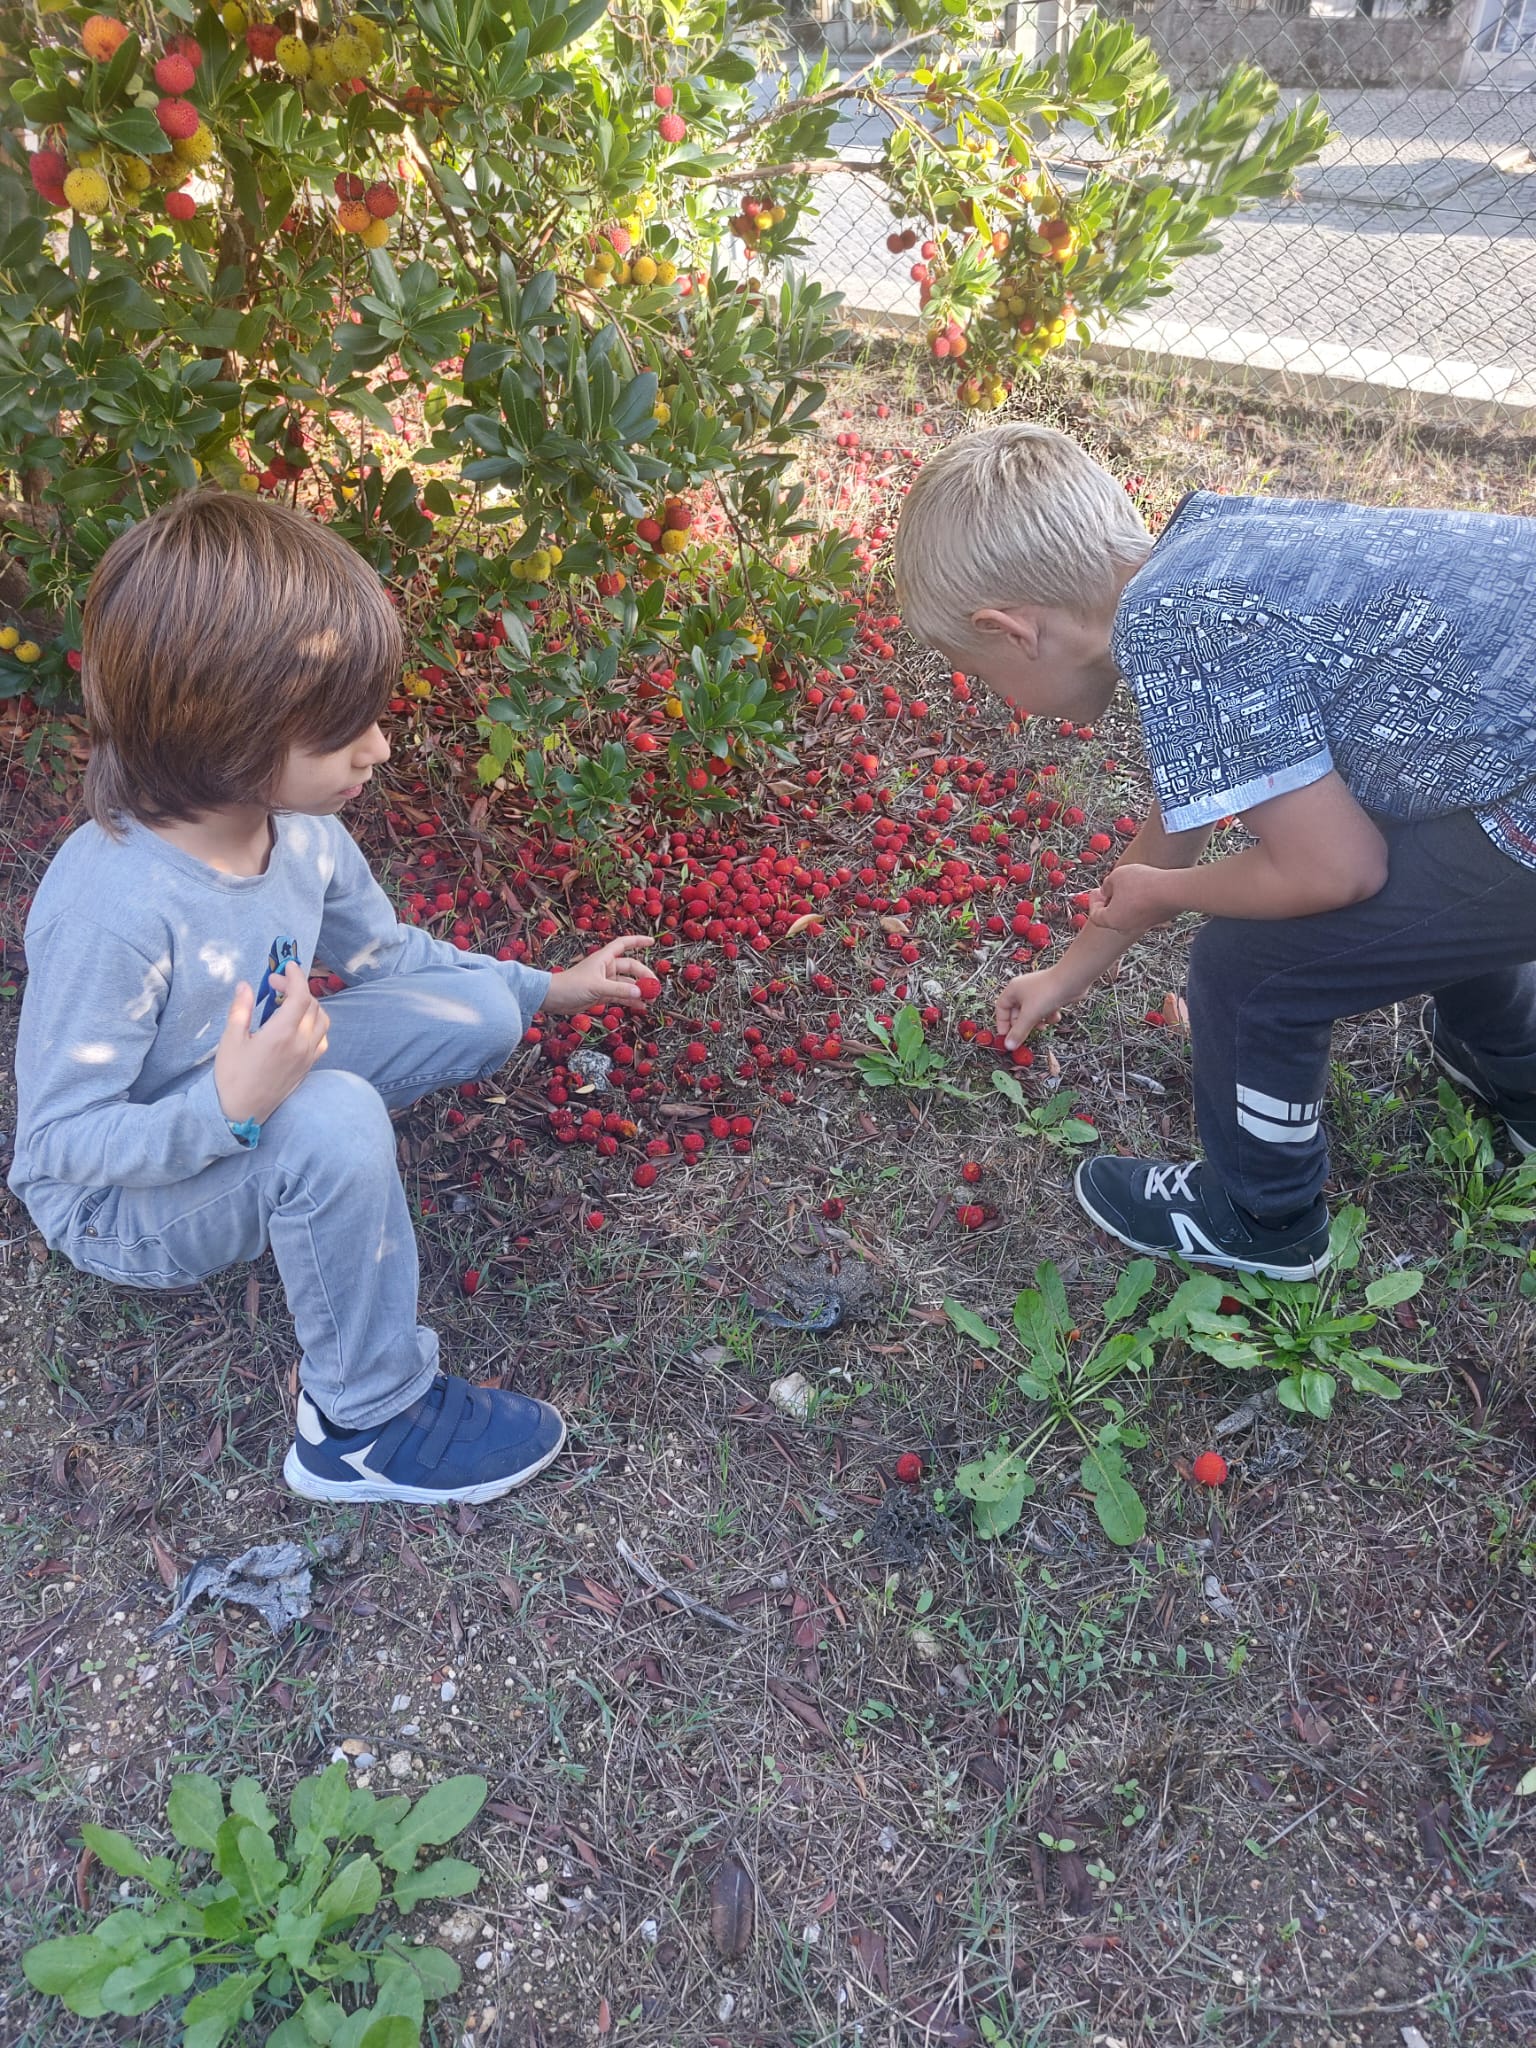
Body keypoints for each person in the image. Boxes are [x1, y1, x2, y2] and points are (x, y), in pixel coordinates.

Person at [8, 490, 652, 1504]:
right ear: (222, 732)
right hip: (120, 1202)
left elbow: (387, 953)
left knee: (477, 1011)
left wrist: (541, 987)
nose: (380, 749)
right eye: (341, 731)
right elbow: (55, 1148)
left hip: (254, 1082)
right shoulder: (112, 905)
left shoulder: (298, 828)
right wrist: (233, 1109)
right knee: (330, 1116)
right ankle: (363, 1419)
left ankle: (308, 1156)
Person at [893, 422, 1536, 1279]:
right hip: (1507, 768)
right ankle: (1515, 1066)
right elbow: (1193, 796)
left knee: (1253, 966)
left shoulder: (1173, 626)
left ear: (1013, 631)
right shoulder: (1201, 550)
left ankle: (1263, 1217)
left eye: (977, 672)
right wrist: (1074, 968)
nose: (996, 697)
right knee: (1423, 841)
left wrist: (1174, 894)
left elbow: (1335, 872)